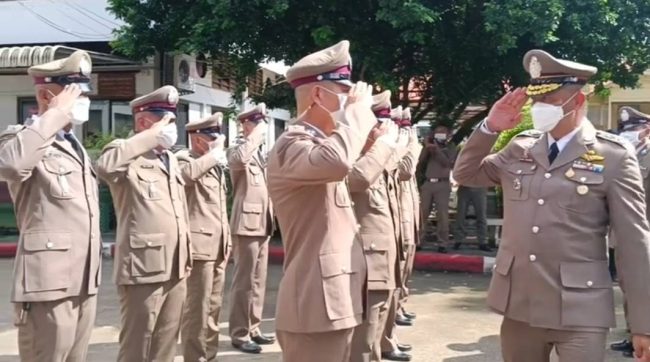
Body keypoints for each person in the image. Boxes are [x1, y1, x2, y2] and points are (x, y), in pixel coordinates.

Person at [453, 49, 650, 362]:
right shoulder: (521, 148)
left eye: (550, 100)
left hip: (580, 312)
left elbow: (633, 244)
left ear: (577, 102)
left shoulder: (613, 157)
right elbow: (466, 174)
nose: (539, 107)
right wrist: (490, 127)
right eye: (537, 100)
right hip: (520, 306)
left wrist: (643, 324)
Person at [267, 40, 374, 362]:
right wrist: (355, 115)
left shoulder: (323, 144)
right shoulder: (292, 145)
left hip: (335, 298)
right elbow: (339, 162)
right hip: (315, 303)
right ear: (317, 95)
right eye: (344, 93)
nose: (351, 101)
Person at [0, 50, 101, 362]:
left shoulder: (73, 144)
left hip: (84, 279)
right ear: (46, 94)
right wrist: (53, 115)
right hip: (48, 283)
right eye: (75, 93)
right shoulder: (20, 138)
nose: (82, 101)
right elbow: (12, 165)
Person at [96, 85, 192, 362]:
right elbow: (105, 167)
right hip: (143, 267)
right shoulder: (125, 152)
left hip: (175, 263)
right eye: (167, 122)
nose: (173, 128)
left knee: (166, 340)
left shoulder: (170, 159)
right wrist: (148, 137)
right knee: (138, 342)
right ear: (142, 122)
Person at [348, 90, 405, 362]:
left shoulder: (376, 156)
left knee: (374, 332)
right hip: (366, 263)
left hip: (382, 260)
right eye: (383, 121)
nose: (388, 127)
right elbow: (357, 180)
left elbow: (404, 166)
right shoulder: (355, 157)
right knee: (363, 337)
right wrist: (381, 145)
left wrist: (402, 140)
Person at [177, 112, 231, 361]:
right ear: (198, 140)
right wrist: (212, 156)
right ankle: (194, 357)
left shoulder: (213, 163)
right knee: (196, 310)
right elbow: (185, 178)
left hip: (218, 246)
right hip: (199, 248)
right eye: (212, 138)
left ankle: (208, 355)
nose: (218, 142)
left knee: (213, 308)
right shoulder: (184, 160)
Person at [227, 103, 275, 354]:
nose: (262, 130)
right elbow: (238, 161)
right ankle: (239, 332)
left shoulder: (259, 154)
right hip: (246, 224)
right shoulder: (239, 150)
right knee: (244, 282)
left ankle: (253, 327)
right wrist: (254, 137)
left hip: (262, 223)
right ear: (246, 125)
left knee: (258, 282)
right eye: (257, 124)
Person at [609, 106, 650, 358]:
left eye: (633, 130)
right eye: (626, 130)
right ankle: (633, 333)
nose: (628, 134)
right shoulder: (624, 155)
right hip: (623, 233)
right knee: (627, 284)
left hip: (646, 233)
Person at [418, 125, 457, 252]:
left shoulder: (451, 147)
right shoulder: (429, 147)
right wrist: (426, 147)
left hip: (443, 184)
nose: (440, 134)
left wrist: (437, 150)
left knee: (442, 215)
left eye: (443, 132)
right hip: (428, 183)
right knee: (422, 213)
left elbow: (447, 163)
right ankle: (419, 240)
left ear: (448, 134)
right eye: (437, 132)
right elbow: (420, 162)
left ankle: (443, 243)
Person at [452, 185, 491, 251]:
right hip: (464, 186)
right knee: (460, 215)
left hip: (480, 187)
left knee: (481, 216)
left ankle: (483, 242)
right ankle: (458, 240)